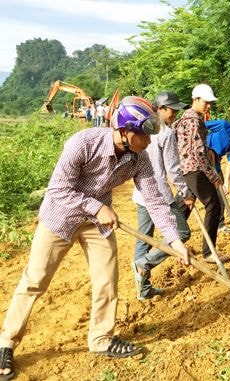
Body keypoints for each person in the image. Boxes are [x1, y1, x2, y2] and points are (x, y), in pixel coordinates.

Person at [0, 96, 191, 379]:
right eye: (145, 134)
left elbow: (156, 202)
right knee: (35, 280)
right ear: (126, 131)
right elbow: (57, 190)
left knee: (106, 279)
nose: (150, 141)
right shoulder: (83, 143)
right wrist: (97, 206)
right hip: (60, 218)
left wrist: (174, 241)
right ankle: (6, 343)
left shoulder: (139, 160)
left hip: (96, 225)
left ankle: (101, 338)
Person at [131, 91, 195, 300]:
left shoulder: (142, 129)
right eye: (171, 109)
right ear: (160, 109)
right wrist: (185, 193)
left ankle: (144, 289)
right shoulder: (165, 133)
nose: (174, 113)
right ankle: (145, 263)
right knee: (182, 232)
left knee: (144, 239)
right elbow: (173, 168)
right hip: (159, 194)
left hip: (142, 192)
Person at [175, 84, 230, 262]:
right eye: (206, 102)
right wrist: (213, 176)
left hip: (186, 169)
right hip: (194, 170)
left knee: (184, 206)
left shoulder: (184, 119)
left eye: (210, 103)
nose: (209, 106)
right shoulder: (194, 121)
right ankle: (209, 252)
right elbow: (197, 154)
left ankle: (172, 242)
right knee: (213, 205)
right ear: (196, 99)